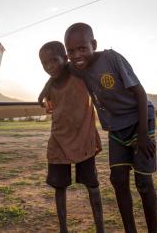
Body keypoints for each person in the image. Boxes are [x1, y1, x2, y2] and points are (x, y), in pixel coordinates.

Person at [39, 23, 157, 233]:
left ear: (93, 44)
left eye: (82, 48)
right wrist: (43, 94)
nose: (77, 55)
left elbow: (140, 93)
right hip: (116, 129)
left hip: (140, 124)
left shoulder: (111, 59)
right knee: (118, 181)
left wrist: (143, 134)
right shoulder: (78, 67)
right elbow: (56, 71)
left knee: (143, 183)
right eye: (71, 51)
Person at [39, 41, 105, 233]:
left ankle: (101, 228)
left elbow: (92, 60)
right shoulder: (51, 84)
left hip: (83, 137)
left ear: (65, 58)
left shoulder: (79, 73)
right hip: (59, 140)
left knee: (92, 185)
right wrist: (44, 99)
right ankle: (63, 229)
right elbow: (42, 97)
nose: (50, 66)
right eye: (45, 64)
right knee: (60, 187)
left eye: (54, 60)